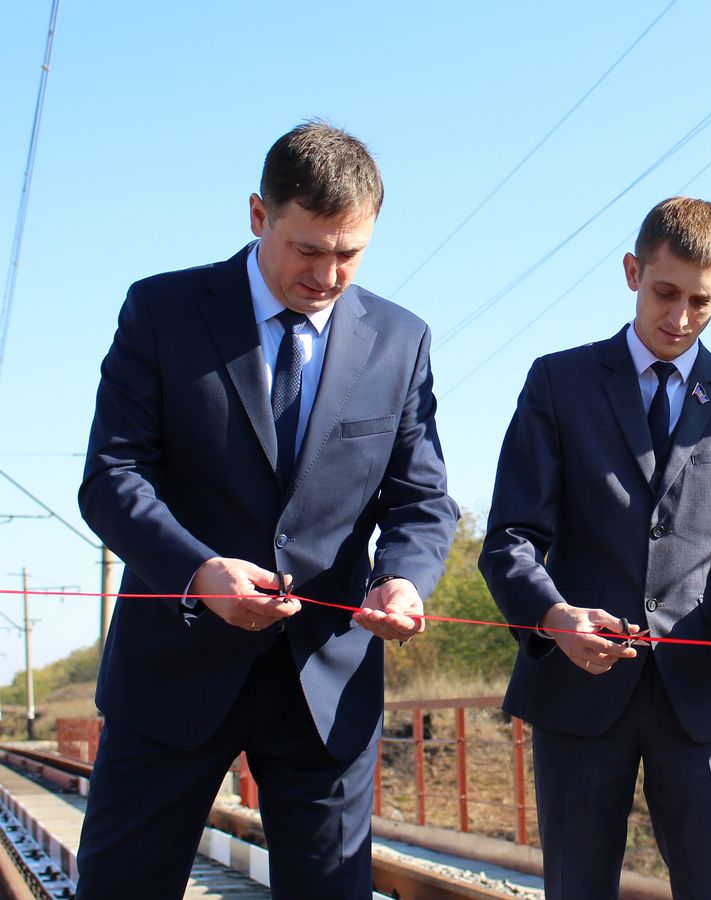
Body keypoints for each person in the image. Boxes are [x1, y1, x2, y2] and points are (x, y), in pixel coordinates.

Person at [75, 121, 459, 898]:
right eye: (308, 249)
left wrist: (405, 580)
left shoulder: (402, 339)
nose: (328, 273)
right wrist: (197, 571)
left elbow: (421, 499)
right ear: (258, 216)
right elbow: (112, 476)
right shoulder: (162, 311)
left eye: (350, 253)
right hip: (173, 676)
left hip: (326, 687)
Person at [479, 197, 711, 900]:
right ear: (632, 271)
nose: (679, 317)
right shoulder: (556, 385)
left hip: (701, 696)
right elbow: (508, 541)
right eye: (664, 292)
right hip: (575, 690)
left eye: (701, 301)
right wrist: (555, 619)